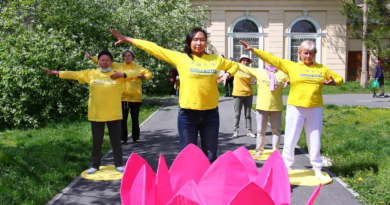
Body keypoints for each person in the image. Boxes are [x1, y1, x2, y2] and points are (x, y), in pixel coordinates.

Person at [110, 28, 238, 162]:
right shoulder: (181, 58)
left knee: (210, 156)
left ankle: (208, 182)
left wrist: (227, 74)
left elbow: (234, 65)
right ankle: (190, 182)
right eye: (195, 40)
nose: (199, 43)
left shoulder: (215, 59)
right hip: (188, 115)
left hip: (210, 114)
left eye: (202, 40)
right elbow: (154, 48)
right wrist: (128, 39)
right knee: (188, 157)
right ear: (189, 42)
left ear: (206, 42)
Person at [240, 40, 343, 181]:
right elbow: (273, 59)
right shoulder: (292, 66)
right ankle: (286, 167)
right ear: (300, 53)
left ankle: (317, 168)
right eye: (305, 53)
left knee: (314, 139)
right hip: (296, 107)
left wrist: (334, 82)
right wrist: (254, 50)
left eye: (311, 53)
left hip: (315, 107)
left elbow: (339, 78)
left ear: (315, 54)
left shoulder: (321, 68)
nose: (308, 56)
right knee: (291, 138)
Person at [41, 51, 140, 174]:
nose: (104, 63)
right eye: (102, 60)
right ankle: (95, 165)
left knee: (116, 141)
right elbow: (75, 74)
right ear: (98, 61)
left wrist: (123, 74)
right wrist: (56, 73)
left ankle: (119, 164)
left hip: (113, 114)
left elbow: (136, 73)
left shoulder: (117, 74)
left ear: (112, 62)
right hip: (96, 113)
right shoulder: (91, 73)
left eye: (107, 60)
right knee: (97, 141)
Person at [85, 50, 152, 144]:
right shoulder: (117, 66)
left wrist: (143, 76)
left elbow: (149, 74)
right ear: (123, 58)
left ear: (133, 57)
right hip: (123, 97)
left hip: (135, 97)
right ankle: (123, 139)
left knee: (135, 119)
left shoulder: (138, 68)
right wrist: (91, 58)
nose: (127, 57)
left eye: (129, 56)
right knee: (123, 119)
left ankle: (136, 138)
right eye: (125, 56)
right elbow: (103, 62)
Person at [237, 61, 289, 156]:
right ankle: (259, 150)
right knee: (261, 130)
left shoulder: (281, 73)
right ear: (264, 63)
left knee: (276, 130)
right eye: (267, 60)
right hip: (262, 105)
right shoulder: (259, 72)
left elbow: (293, 76)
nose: (270, 62)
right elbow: (243, 67)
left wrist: (288, 81)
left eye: (271, 60)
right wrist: (229, 62)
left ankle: (276, 151)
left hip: (276, 106)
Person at [228, 54, 256, 138]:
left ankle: (249, 131)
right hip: (237, 94)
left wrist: (255, 81)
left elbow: (256, 77)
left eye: (247, 61)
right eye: (244, 60)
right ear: (240, 61)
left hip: (248, 93)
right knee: (237, 114)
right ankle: (235, 131)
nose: (245, 62)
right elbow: (230, 64)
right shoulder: (237, 67)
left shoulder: (251, 69)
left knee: (248, 114)